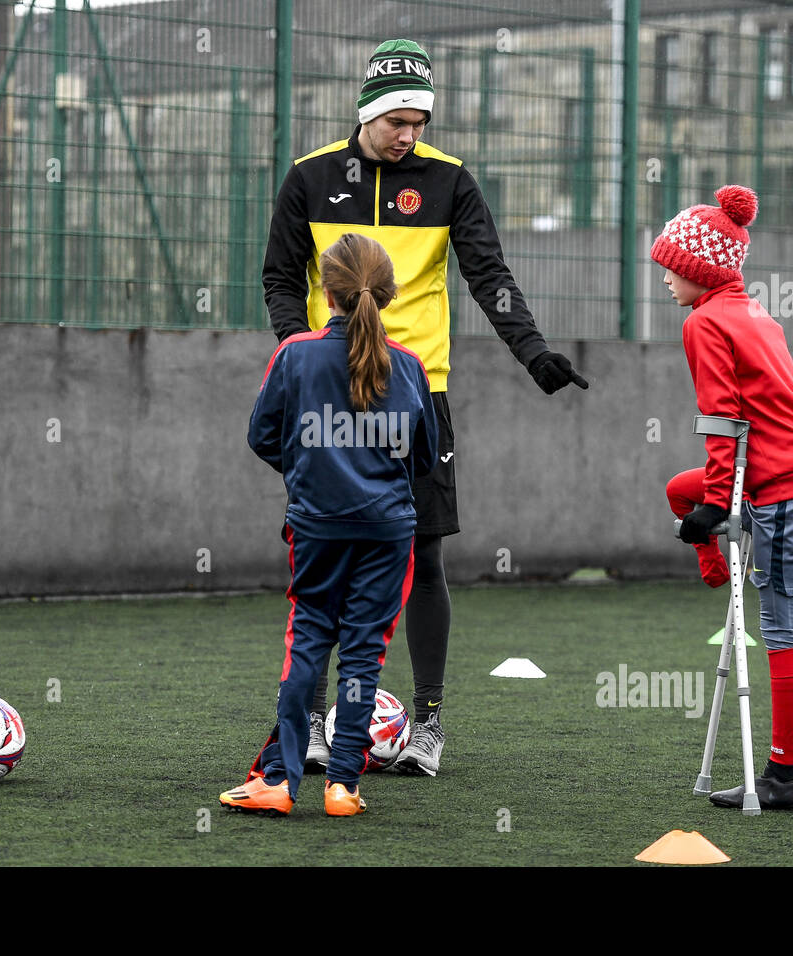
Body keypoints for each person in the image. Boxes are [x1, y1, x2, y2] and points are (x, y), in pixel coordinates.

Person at [261, 38, 588, 777]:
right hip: (329, 392)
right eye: (397, 121)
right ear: (368, 111)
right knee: (322, 556)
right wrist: (300, 351)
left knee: (425, 554)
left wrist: (533, 351)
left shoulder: (449, 181)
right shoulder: (309, 177)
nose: (410, 134)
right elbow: (280, 277)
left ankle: (429, 726)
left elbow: (488, 275)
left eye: (419, 121)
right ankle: (310, 726)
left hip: (420, 395)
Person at [222, 233, 437, 816]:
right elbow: (425, 457)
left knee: (309, 643)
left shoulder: (294, 354)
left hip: (316, 526)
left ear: (325, 289)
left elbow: (262, 435)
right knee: (365, 653)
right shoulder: (412, 368)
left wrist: (312, 471)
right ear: (388, 295)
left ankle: (280, 782)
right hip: (389, 531)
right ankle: (343, 787)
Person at [653, 185, 793, 810]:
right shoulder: (754, 313)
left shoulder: (703, 322)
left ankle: (787, 777)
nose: (665, 281)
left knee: (781, 628)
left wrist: (715, 502)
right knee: (682, 492)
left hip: (788, 484)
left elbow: (723, 418)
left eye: (672, 269)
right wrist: (704, 503)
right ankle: (712, 566)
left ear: (699, 271)